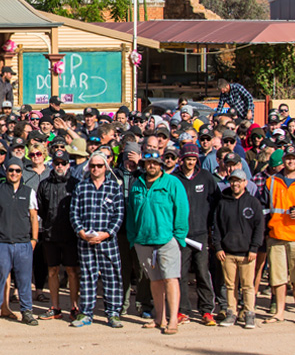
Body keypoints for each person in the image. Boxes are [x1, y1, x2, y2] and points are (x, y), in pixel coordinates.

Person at [126, 148, 189, 335]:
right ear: (144, 164)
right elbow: (131, 213)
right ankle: (159, 317)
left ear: (160, 165)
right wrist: (132, 237)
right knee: (154, 280)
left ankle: (172, 320)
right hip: (143, 240)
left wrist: (178, 237)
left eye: (155, 163)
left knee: (170, 279)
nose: (151, 166)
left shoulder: (172, 183)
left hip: (166, 240)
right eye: (148, 163)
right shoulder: (137, 184)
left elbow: (182, 211)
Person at [0, 156, 40, 326]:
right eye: (11, 170)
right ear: (6, 171)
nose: (14, 173)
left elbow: (34, 217)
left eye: (17, 170)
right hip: (2, 242)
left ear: (21, 173)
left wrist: (34, 239)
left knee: (24, 280)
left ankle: (27, 311)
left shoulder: (29, 192)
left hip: (23, 243)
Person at [68, 152, 125, 328]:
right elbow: (74, 213)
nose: (96, 169)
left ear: (105, 167)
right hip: (85, 241)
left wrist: (107, 234)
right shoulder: (81, 187)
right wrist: (81, 233)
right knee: (87, 277)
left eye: (99, 166)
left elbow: (119, 214)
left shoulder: (114, 187)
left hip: (107, 241)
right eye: (93, 165)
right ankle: (85, 313)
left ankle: (113, 313)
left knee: (112, 277)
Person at [211, 169, 265, 328]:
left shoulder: (253, 202)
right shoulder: (223, 202)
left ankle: (249, 313)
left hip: (247, 253)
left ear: (245, 183)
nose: (235, 184)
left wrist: (254, 248)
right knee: (230, 285)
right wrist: (219, 247)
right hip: (227, 253)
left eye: (239, 181)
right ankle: (231, 312)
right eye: (233, 181)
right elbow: (217, 227)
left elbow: (259, 227)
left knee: (248, 285)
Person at [174, 143, 220, 326]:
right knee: (181, 273)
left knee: (202, 271)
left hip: (201, 233)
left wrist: (211, 229)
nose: (191, 162)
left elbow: (216, 203)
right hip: (181, 234)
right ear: (182, 160)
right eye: (188, 159)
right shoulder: (174, 179)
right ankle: (182, 310)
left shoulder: (206, 177)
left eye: (194, 159)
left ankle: (207, 310)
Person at [37, 149, 82, 321]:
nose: (60, 166)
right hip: (50, 234)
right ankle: (55, 307)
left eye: (63, 163)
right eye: (57, 163)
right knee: (52, 270)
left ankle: (74, 307)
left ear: (68, 164)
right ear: (52, 164)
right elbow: (41, 209)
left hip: (70, 235)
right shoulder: (45, 184)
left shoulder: (76, 184)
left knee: (72, 271)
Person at [261, 144, 295, 324]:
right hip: (276, 235)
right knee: (278, 278)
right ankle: (278, 312)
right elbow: (263, 209)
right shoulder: (271, 181)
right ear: (283, 160)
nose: (290, 161)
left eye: (294, 158)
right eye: (287, 158)